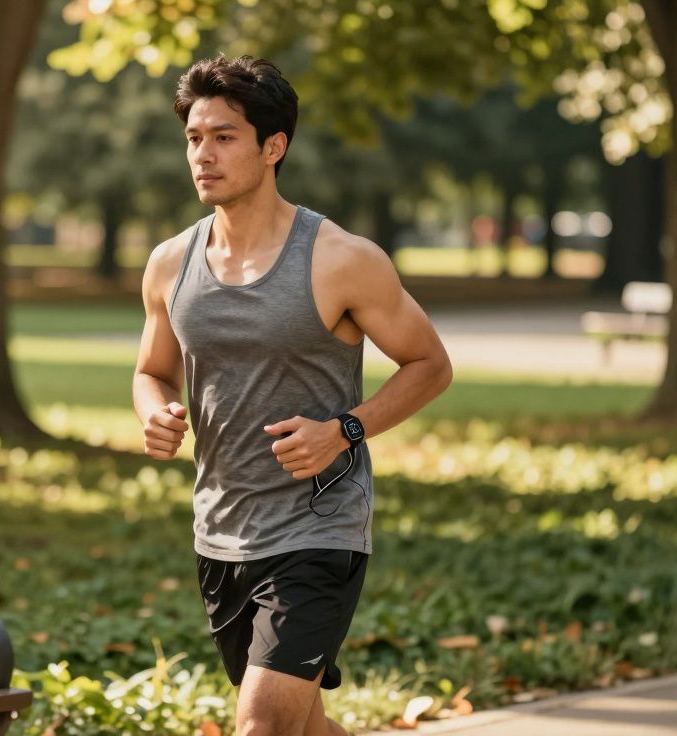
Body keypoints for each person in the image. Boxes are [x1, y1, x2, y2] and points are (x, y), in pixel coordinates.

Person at [132, 54, 453, 736]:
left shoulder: (342, 259)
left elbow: (429, 364)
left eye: (224, 137)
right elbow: (151, 371)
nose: (203, 155)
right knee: (303, 727)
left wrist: (344, 430)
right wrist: (154, 412)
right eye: (194, 138)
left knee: (262, 726)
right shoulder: (170, 263)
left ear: (273, 147)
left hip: (319, 526)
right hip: (221, 529)